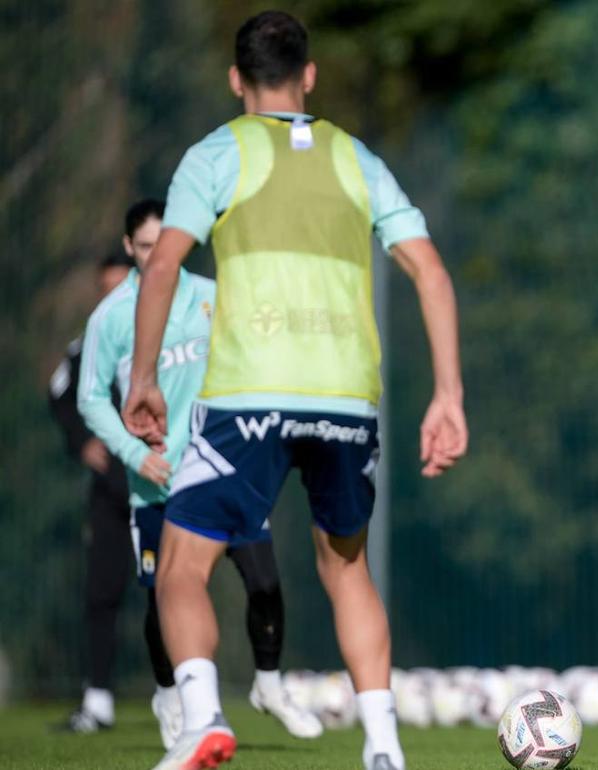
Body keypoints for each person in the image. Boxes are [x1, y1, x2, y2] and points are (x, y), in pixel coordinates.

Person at [122, 11, 467, 770]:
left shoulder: (216, 153)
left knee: (182, 566)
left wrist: (144, 377)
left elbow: (160, 267)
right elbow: (432, 273)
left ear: (235, 79)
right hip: (346, 398)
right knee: (346, 569)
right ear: (308, 76)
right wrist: (448, 394)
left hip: (251, 393)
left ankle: (204, 718)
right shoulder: (356, 158)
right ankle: (383, 748)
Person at [79, 199, 323, 750]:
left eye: (166, 242)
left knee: (264, 581)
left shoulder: (215, 300)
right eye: (144, 246)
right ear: (128, 248)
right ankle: (170, 693)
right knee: (163, 593)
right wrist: (134, 454)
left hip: (223, 473)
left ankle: (269, 685)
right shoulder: (111, 317)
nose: (156, 254)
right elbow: (90, 398)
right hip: (157, 482)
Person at [49, 251, 134, 734]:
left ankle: (182, 698)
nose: (115, 298)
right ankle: (97, 700)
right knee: (101, 591)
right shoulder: (89, 345)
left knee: (172, 589)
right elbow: (58, 395)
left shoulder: (168, 339)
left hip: (163, 482)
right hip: (111, 489)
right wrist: (83, 443)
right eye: (107, 289)